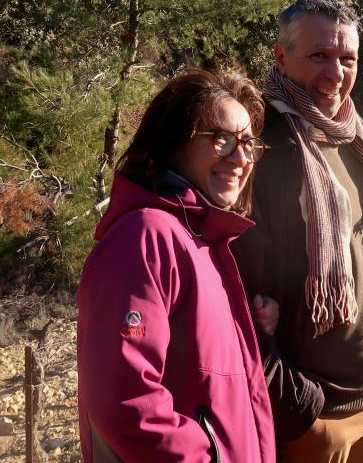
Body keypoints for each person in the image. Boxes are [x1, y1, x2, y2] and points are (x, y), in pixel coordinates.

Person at [233, 0, 363, 463]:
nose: (335, 74)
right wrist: (301, 410)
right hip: (319, 416)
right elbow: (235, 293)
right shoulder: (259, 149)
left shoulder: (356, 136)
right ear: (281, 56)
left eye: (347, 58)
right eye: (318, 55)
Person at [77, 69, 277, 462]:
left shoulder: (202, 239)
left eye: (248, 143)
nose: (240, 158)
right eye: (220, 139)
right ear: (172, 144)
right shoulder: (145, 237)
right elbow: (126, 401)